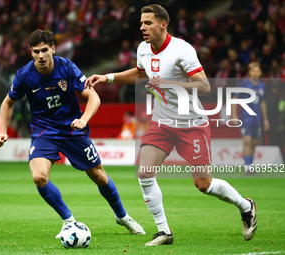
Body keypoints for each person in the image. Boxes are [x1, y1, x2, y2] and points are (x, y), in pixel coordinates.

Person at [85, 4, 257, 246]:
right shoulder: (143, 49)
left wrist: (168, 84)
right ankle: (163, 231)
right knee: (144, 172)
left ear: (163, 24)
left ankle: (246, 206)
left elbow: (204, 86)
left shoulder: (182, 49)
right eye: (141, 23)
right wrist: (108, 77)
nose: (142, 27)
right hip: (162, 122)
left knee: (203, 184)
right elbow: (140, 73)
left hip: (191, 123)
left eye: (148, 23)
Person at [0, 29, 145, 238]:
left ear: (52, 49)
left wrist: (83, 120)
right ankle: (69, 222)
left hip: (73, 130)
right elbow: (7, 103)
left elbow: (94, 98)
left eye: (44, 50)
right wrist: (3, 131)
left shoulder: (67, 67)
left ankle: (123, 216)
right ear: (31, 52)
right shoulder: (24, 75)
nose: (40, 56)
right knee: (39, 177)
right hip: (44, 132)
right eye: (36, 51)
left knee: (99, 176)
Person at [232, 62, 270, 172]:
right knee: (247, 141)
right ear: (249, 72)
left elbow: (262, 102)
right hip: (245, 117)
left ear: (260, 72)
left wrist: (265, 119)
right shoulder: (243, 84)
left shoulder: (262, 86)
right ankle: (247, 166)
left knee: (254, 142)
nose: (255, 73)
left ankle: (251, 165)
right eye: (253, 71)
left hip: (257, 118)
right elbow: (234, 99)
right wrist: (234, 115)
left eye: (257, 71)